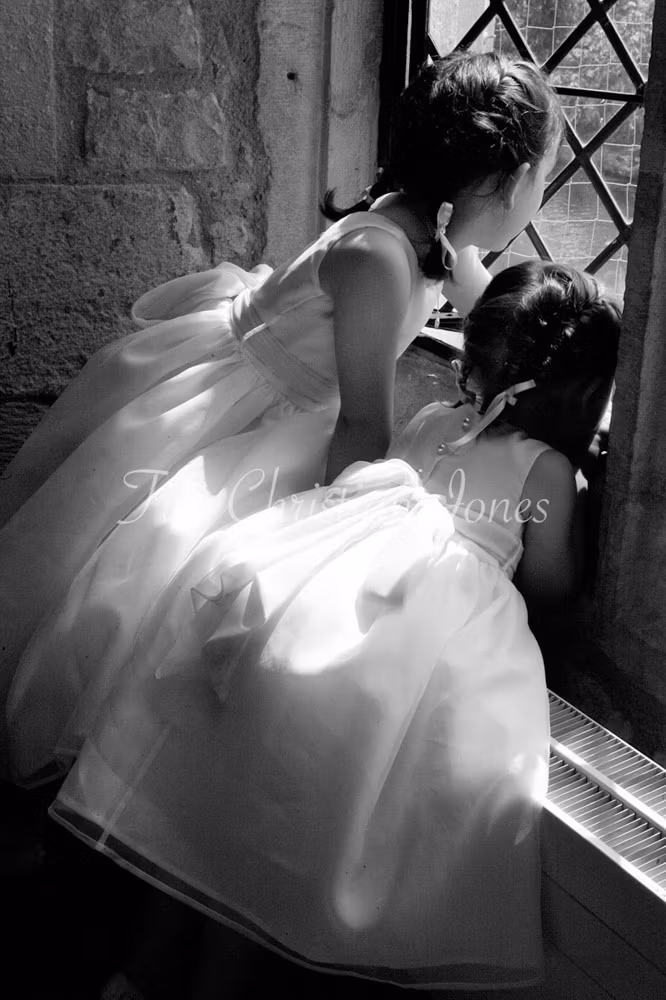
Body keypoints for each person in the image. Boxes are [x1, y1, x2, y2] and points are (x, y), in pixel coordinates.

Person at [48, 261, 621, 997]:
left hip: (314, 599)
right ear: (583, 393)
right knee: (283, 846)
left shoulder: (428, 422)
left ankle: (139, 973)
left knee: (211, 816)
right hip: (396, 659)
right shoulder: (544, 472)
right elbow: (550, 586)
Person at [0, 50, 564, 782]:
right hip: (247, 417)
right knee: (148, 569)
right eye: (545, 175)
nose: (542, 192)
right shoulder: (381, 259)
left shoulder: (434, 230)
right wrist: (339, 545)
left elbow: (490, 309)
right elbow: (364, 423)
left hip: (290, 403)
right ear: (514, 180)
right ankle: (99, 753)